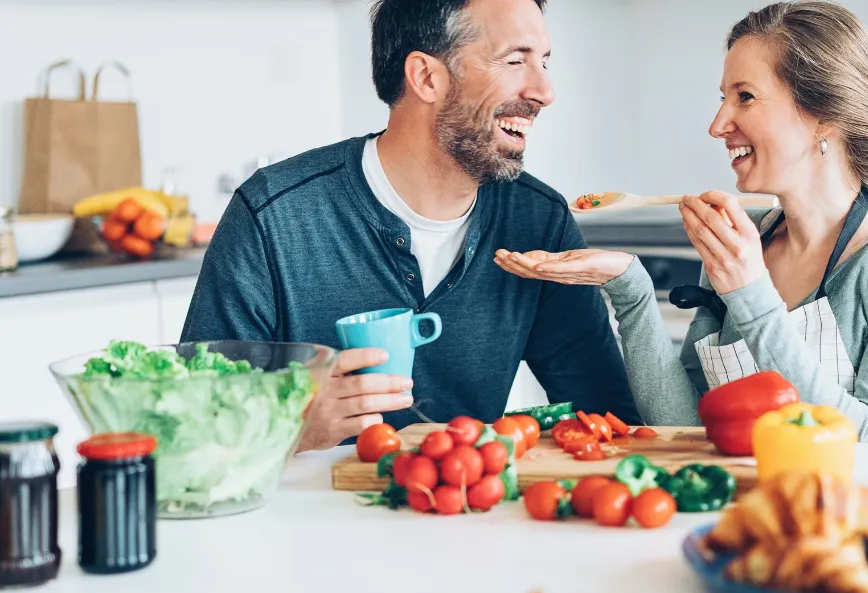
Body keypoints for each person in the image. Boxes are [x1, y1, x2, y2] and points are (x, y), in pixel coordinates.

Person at [495, 1, 868, 446]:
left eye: (744, 96)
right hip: (750, 523)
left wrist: (750, 294)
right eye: (722, 98)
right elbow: (687, 426)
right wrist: (629, 288)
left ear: (824, 113)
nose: (718, 124)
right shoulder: (750, 242)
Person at [180, 0, 641, 451]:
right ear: (425, 76)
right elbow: (191, 426)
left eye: (543, 62)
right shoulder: (273, 215)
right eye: (515, 60)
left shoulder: (538, 219)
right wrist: (289, 428)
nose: (544, 91)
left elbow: (605, 417)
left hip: (467, 512)